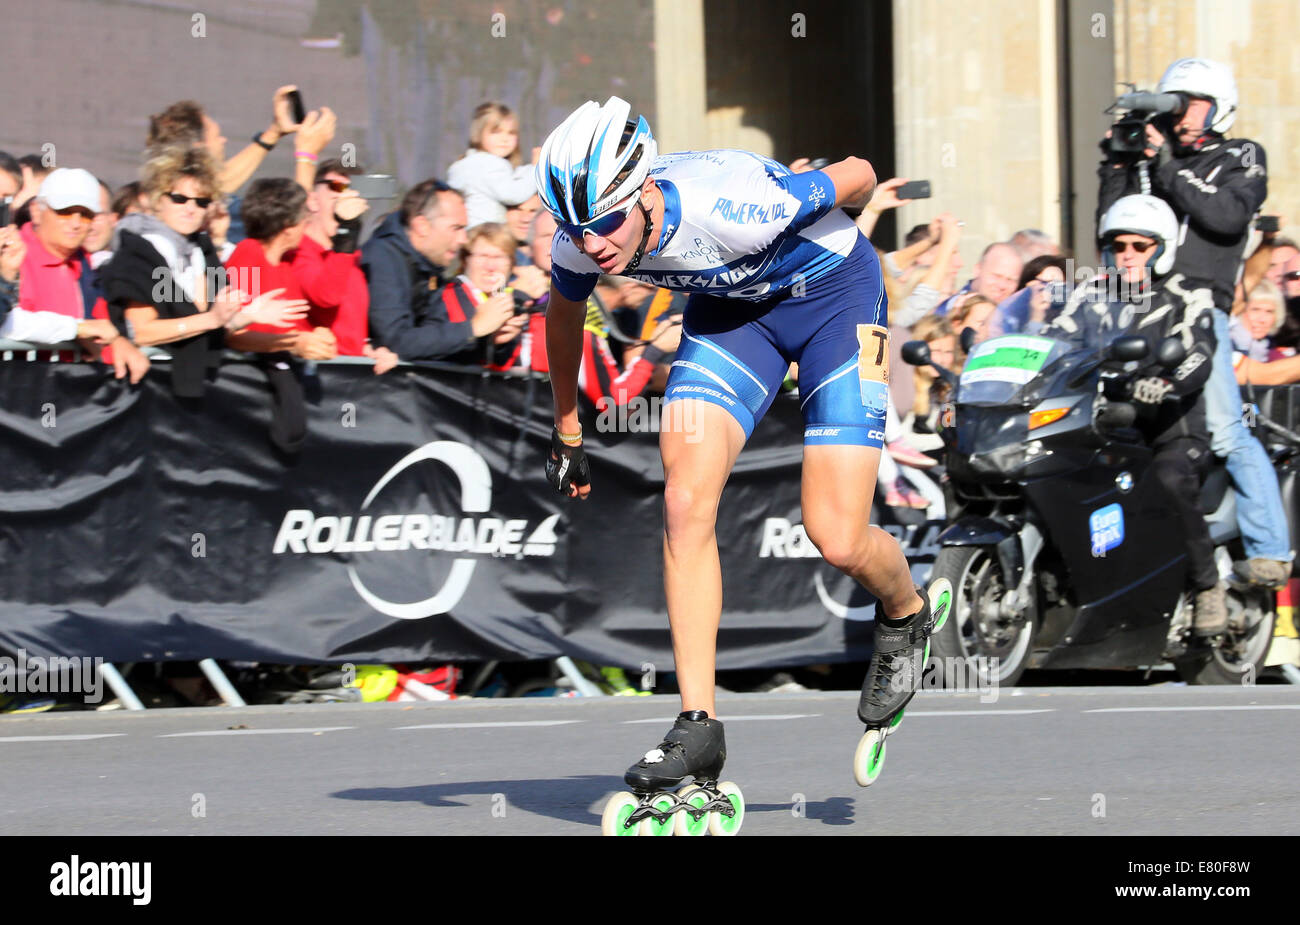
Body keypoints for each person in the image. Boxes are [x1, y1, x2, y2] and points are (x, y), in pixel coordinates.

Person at [535, 96, 952, 823]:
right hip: (732, 322)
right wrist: (567, 431)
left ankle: (906, 608)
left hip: (838, 300)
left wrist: (838, 198)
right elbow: (562, 314)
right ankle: (698, 728)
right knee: (684, 501)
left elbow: (860, 173)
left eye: (604, 222)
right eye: (577, 228)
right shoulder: (582, 236)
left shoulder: (736, 199)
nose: (593, 244)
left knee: (837, 535)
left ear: (639, 192)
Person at [1097, 57, 1290, 589]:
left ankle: (1270, 547)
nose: (1182, 112)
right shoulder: (1153, 160)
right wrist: (1116, 165)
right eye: (1174, 99)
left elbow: (1225, 217)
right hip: (1138, 310)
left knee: (1226, 430)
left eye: (1195, 101)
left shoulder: (1240, 155)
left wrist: (1166, 167)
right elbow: (1111, 230)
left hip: (1202, 310)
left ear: (1221, 107)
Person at [1044, 194, 1225, 633]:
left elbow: (1200, 353)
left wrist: (1165, 383)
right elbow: (1050, 344)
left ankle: (1208, 587)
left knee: (1168, 476)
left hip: (1170, 430)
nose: (1127, 255)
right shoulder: (1087, 294)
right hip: (1100, 425)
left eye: (1139, 246)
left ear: (1161, 249)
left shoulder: (1187, 293)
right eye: (1119, 246)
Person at [101, 147, 305, 396]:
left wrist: (246, 316)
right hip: (143, 390)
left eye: (201, 201)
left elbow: (214, 328)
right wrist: (212, 319)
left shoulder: (202, 251)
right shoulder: (142, 248)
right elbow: (142, 331)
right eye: (179, 198)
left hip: (195, 389)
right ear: (158, 199)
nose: (190, 208)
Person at [1, 167, 149, 383]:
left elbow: (100, 325)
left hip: (69, 397)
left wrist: (114, 341)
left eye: (86, 215)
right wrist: (77, 329)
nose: (77, 223)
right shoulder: (10, 252)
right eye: (65, 211)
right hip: (16, 399)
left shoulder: (87, 263)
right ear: (36, 211)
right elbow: (5, 322)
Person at [362, 179, 515, 362]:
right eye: (456, 228)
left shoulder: (428, 266)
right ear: (422, 226)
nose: (463, 239)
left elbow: (433, 342)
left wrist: (494, 341)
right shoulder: (383, 258)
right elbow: (395, 341)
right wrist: (473, 328)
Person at [289, 158, 396, 372]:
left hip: (346, 382)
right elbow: (326, 295)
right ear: (312, 200)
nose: (345, 197)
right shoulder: (298, 250)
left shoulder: (350, 258)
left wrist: (369, 351)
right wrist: (347, 231)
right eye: (336, 188)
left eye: (354, 190)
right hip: (311, 379)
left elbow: (348, 328)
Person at [223, 177, 336, 360]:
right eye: (304, 220)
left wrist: (318, 338)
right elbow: (234, 332)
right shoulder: (248, 252)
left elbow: (292, 325)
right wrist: (294, 343)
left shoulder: (287, 262)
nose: (306, 226)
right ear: (288, 227)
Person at [447, 102, 539, 228]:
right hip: (484, 233)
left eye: (511, 133)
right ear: (478, 134)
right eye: (496, 132)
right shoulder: (489, 164)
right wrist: (536, 169)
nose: (504, 139)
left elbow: (511, 179)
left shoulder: (467, 164)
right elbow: (513, 194)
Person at [934, 242, 1022, 316]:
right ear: (977, 270)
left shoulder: (1015, 317)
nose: (1002, 286)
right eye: (996, 276)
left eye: (1011, 280)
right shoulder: (952, 310)